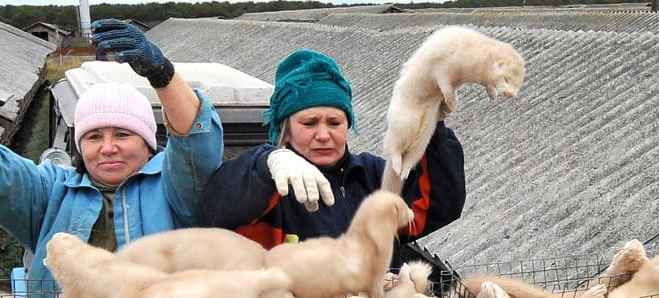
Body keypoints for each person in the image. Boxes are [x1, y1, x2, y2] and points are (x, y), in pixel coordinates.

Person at [0, 17, 224, 298]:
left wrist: (162, 74)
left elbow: (196, 144)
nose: (108, 147)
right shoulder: (53, 191)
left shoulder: (174, 189)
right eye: (94, 137)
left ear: (149, 143)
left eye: (123, 135)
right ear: (80, 146)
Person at [198, 48, 464, 262]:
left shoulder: (374, 176)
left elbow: (437, 207)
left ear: (348, 125)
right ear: (285, 129)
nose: (323, 135)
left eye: (335, 123)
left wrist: (431, 128)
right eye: (309, 123)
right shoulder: (270, 185)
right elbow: (216, 209)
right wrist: (266, 164)